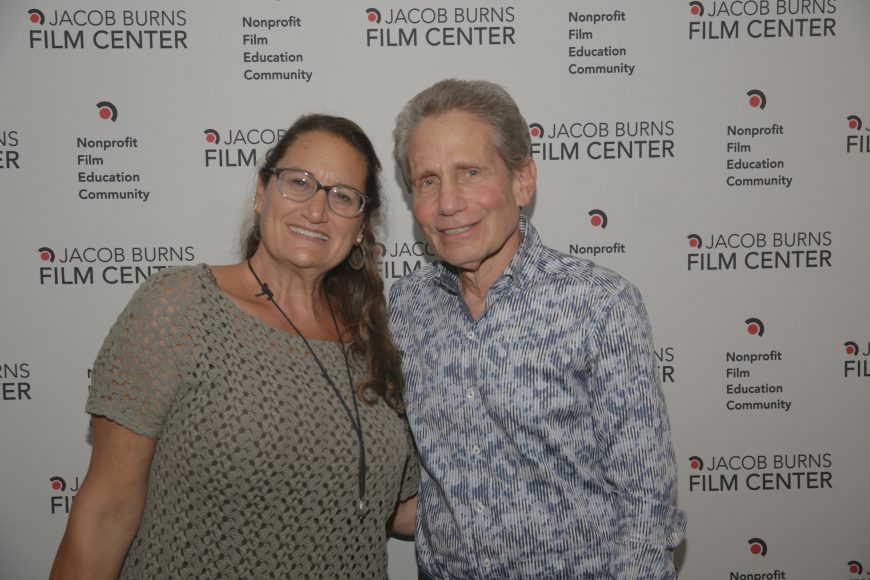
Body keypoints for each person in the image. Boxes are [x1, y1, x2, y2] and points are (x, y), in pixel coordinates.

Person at [50, 114, 418, 579]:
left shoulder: (375, 339)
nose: (317, 210)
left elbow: (401, 508)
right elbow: (105, 511)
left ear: (362, 226)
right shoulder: (181, 307)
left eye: (343, 196)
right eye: (299, 182)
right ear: (262, 192)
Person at [389, 79, 686, 578]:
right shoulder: (405, 307)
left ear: (522, 180)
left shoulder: (599, 305)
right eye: (428, 180)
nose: (448, 203)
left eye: (469, 172)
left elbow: (645, 505)